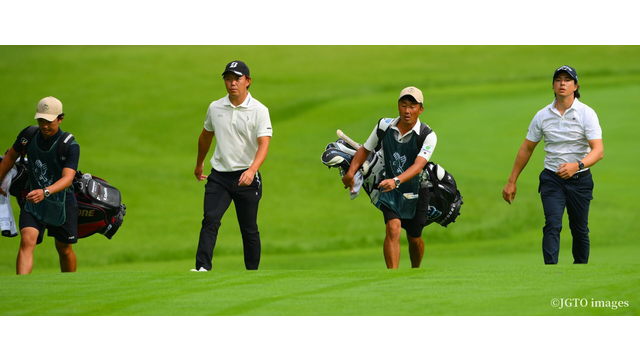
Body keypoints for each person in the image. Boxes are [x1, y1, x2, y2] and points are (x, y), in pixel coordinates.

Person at [502, 65, 604, 264]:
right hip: (552, 179)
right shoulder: (542, 115)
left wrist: (577, 165)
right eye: (558, 80)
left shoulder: (586, 114)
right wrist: (511, 181)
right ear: (553, 85)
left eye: (567, 80)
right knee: (553, 224)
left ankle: (581, 270)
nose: (562, 83)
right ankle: (551, 272)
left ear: (575, 86)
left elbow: (598, 151)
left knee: (579, 229)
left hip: (580, 180)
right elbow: (527, 148)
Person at [342, 86, 437, 269]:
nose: (407, 111)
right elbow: (365, 149)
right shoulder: (384, 126)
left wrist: (397, 181)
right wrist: (351, 172)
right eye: (403, 105)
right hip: (390, 186)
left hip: (417, 188)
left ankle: (415, 271)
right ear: (398, 106)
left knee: (414, 237)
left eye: (412, 106)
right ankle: (393, 277)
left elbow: (418, 166)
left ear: (421, 109)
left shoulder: (427, 135)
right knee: (392, 229)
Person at [193, 60, 272, 271]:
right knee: (210, 219)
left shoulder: (259, 110)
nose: (232, 83)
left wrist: (252, 170)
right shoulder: (215, 107)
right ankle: (202, 268)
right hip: (219, 176)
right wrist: (200, 163)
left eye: (237, 79)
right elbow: (205, 137)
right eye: (228, 79)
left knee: (248, 229)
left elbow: (264, 144)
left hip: (247, 177)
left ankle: (252, 273)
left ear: (248, 81)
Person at [0, 96, 80, 275]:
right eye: (41, 120)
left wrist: (45, 191)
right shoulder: (28, 135)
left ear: (60, 119)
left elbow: (68, 178)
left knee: (64, 249)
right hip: (34, 200)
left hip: (61, 202)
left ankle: (69, 286)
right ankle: (22, 286)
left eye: (49, 121)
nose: (44, 125)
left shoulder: (70, 146)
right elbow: (10, 157)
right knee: (27, 240)